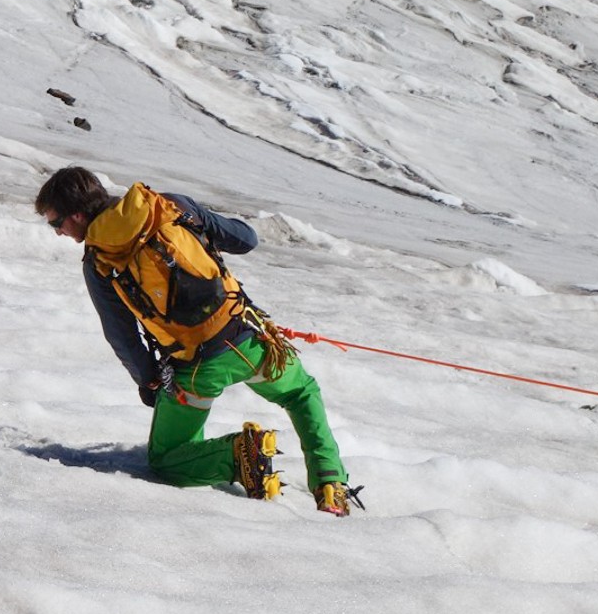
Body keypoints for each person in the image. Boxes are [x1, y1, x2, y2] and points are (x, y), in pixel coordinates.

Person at [36, 165, 361, 516]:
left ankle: (239, 456)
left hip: (195, 366)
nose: (58, 233)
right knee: (300, 393)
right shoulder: (170, 206)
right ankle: (330, 484)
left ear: (79, 214)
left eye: (57, 224)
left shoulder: (99, 262)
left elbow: (123, 335)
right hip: (252, 340)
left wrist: (148, 380)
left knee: (166, 461)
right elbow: (246, 239)